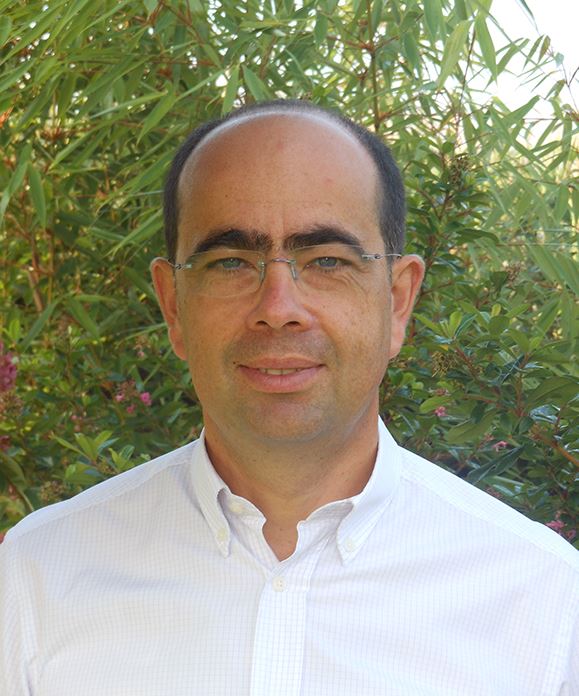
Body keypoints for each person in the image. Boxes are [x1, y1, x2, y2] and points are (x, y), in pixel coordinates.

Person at [1, 100, 577, 696]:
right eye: (230, 262)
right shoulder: (36, 582)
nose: (278, 309)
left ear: (398, 300)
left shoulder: (544, 604)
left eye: (327, 260)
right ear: (173, 305)